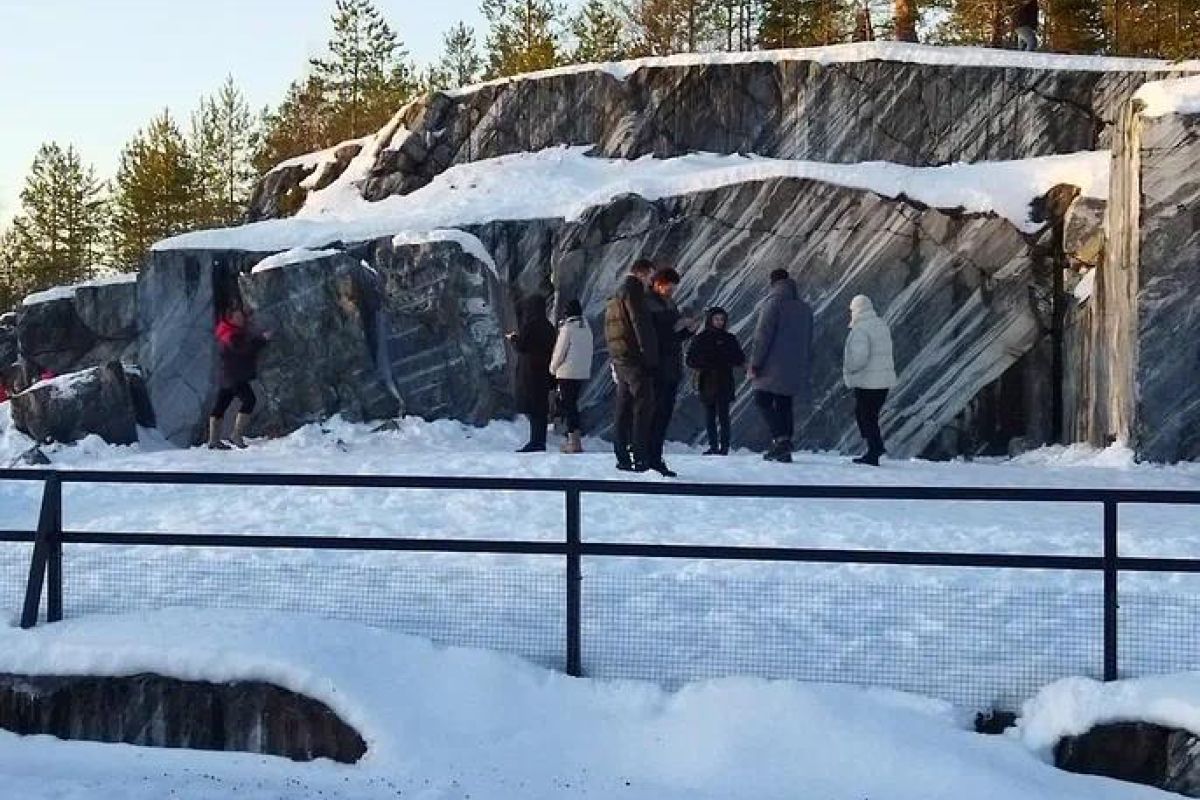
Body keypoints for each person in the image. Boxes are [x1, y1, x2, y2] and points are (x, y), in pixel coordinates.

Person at [749, 269, 814, 464]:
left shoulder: (773, 303)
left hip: (772, 365)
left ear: (773, 282)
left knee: (762, 399)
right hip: (795, 365)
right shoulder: (804, 308)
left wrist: (755, 363)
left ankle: (782, 440)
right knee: (785, 404)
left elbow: (762, 336)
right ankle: (784, 451)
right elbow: (809, 339)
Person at [604, 259, 658, 472]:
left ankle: (621, 455)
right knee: (642, 408)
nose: (651, 282)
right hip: (635, 358)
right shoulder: (633, 291)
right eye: (650, 277)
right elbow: (640, 324)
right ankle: (640, 455)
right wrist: (650, 358)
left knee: (622, 407)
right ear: (643, 274)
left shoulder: (615, 294)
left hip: (620, 358)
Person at [645, 267, 698, 477]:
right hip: (659, 366)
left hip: (671, 364)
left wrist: (686, 331)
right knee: (656, 413)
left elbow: (672, 337)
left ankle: (655, 456)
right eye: (669, 287)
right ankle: (651, 457)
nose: (671, 291)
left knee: (664, 413)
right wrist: (677, 328)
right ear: (658, 283)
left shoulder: (668, 303)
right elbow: (653, 335)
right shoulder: (649, 303)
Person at [843, 294, 897, 466]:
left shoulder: (861, 329)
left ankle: (874, 449)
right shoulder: (881, 325)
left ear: (856, 310)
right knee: (869, 415)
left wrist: (849, 368)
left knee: (865, 416)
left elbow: (859, 357)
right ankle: (875, 447)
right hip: (883, 381)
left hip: (868, 381)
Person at [209, 304, 271, 450]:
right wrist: (263, 339)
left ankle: (213, 440)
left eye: (241, 316)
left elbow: (243, 335)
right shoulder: (230, 335)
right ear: (230, 318)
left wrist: (248, 315)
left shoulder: (226, 330)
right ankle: (236, 435)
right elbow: (244, 348)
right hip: (234, 376)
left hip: (226, 376)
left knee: (221, 405)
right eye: (238, 317)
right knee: (249, 400)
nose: (241, 319)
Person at [686, 306, 746, 455]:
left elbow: (739, 358)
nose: (719, 322)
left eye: (722, 319)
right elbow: (690, 360)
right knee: (710, 415)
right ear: (710, 320)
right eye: (716, 319)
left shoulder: (729, 338)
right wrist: (708, 365)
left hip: (723, 380)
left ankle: (723, 447)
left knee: (723, 415)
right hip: (708, 380)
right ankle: (714, 446)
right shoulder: (701, 339)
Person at [507, 293, 557, 453]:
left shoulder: (530, 325)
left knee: (533, 409)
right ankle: (540, 440)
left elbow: (522, 347)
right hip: (545, 371)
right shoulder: (548, 326)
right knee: (541, 408)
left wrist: (513, 339)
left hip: (530, 372)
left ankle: (535, 442)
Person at [549, 298, 593, 454]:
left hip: (566, 372)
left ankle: (573, 443)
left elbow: (559, 352)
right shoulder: (586, 327)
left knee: (569, 407)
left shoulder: (567, 329)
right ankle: (575, 440)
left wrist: (552, 369)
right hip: (581, 372)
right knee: (573, 405)